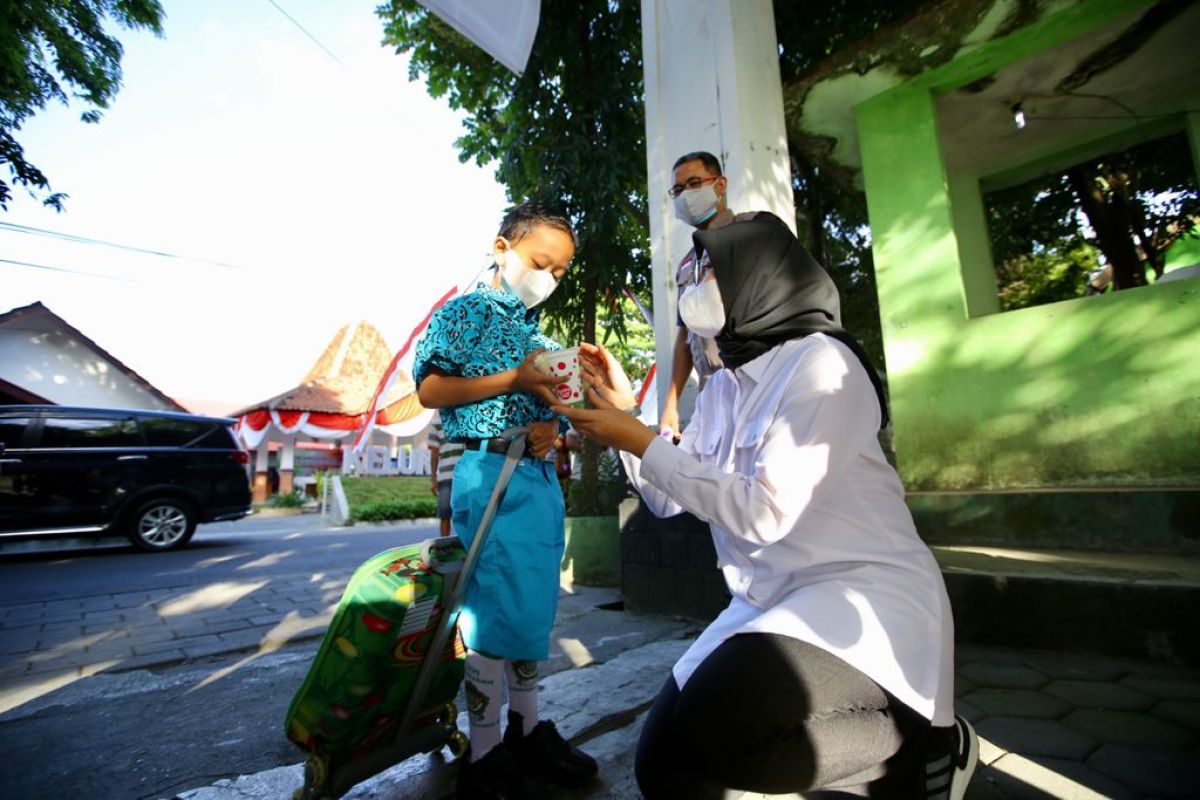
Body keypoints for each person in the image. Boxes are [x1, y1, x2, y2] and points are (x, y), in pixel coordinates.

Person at [559, 213, 978, 799]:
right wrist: (628, 421)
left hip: (862, 594)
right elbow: (665, 497)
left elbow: (764, 512)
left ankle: (926, 746)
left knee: (721, 724)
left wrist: (637, 438)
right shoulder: (724, 387)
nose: (693, 291)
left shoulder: (824, 363)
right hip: (768, 600)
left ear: (758, 278)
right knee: (663, 766)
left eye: (708, 273)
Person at [413, 202, 598, 800]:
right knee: (491, 616)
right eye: (543, 262)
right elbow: (430, 389)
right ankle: (485, 753)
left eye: (562, 271)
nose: (550, 277)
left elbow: (556, 411)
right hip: (488, 472)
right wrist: (512, 380)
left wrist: (556, 430)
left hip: (536, 479)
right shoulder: (463, 314)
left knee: (529, 613)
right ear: (502, 246)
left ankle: (526, 727)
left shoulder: (538, 334)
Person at [658, 151, 762, 440]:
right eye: (678, 189)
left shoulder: (752, 232)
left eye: (693, 183)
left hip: (756, 388)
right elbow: (684, 340)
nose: (685, 195)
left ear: (720, 185)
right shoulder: (687, 265)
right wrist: (670, 405)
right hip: (712, 396)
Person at [426, 412, 464, 537]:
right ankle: (445, 547)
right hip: (446, 477)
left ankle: (465, 546)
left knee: (465, 514)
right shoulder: (436, 424)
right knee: (445, 514)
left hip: (465, 475)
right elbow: (434, 454)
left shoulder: (465, 418)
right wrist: (433, 479)